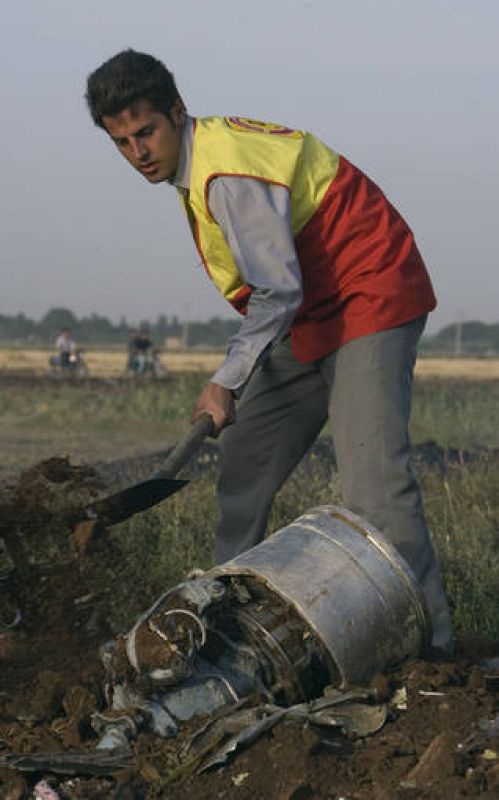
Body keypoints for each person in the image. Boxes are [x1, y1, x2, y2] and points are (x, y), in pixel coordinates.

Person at [86, 50, 453, 655]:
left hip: (368, 292)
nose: (138, 153)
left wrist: (225, 380)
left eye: (145, 132)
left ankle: (435, 652)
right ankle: (224, 621)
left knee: (375, 489)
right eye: (121, 142)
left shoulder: (226, 174)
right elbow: (284, 291)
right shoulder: (197, 167)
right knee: (246, 457)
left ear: (177, 112)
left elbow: (277, 289)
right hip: (310, 311)